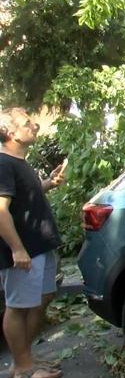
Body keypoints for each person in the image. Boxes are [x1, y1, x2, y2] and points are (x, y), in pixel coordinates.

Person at [0, 107, 66, 378]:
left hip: (39, 245)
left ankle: (23, 359)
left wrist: (48, 183)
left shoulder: (19, 162)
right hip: (23, 249)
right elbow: (0, 211)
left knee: (43, 297)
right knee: (18, 307)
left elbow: (25, 195)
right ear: (9, 132)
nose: (35, 125)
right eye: (27, 122)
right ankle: (24, 369)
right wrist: (17, 248)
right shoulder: (3, 164)